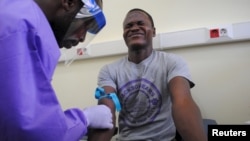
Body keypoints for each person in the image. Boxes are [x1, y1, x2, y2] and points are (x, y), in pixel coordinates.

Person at [0, 0, 113, 141]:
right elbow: (29, 131)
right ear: (69, 2)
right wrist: (83, 119)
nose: (83, 37)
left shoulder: (13, 9)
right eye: (85, 24)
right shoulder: (23, 24)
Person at [88, 8, 207, 141]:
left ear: (154, 32)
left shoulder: (172, 62)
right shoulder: (109, 70)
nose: (134, 28)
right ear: (124, 35)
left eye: (140, 23)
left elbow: (183, 102)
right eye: (129, 26)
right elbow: (106, 112)